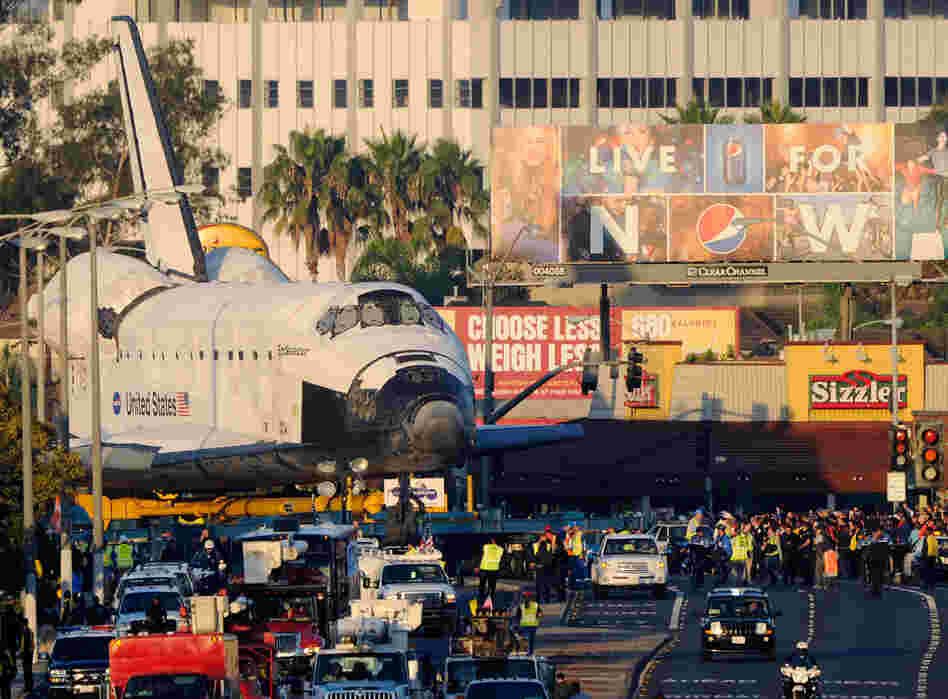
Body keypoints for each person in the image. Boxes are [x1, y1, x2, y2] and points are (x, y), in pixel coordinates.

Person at [476, 537, 503, 607]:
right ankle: (491, 600)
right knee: (492, 586)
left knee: (482, 585)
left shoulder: (486, 547)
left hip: (484, 568)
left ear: (492, 540)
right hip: (494, 569)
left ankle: (481, 600)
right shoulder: (500, 549)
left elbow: (481, 555)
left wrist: (477, 566)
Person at [865, 529, 890, 598]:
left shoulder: (884, 540)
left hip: (880, 560)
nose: (878, 533)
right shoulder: (870, 540)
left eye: (879, 532)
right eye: (876, 532)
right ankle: (874, 589)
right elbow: (866, 547)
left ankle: (878, 589)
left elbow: (887, 548)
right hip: (873, 560)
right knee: (874, 575)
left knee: (879, 575)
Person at [516, 591, 541, 655]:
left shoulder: (534, 605)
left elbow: (539, 613)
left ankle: (529, 651)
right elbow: (518, 616)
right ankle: (526, 650)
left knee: (530, 639)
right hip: (527, 625)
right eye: (525, 597)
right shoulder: (522, 606)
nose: (526, 599)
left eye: (527, 597)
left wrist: (539, 616)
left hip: (531, 625)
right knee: (529, 639)